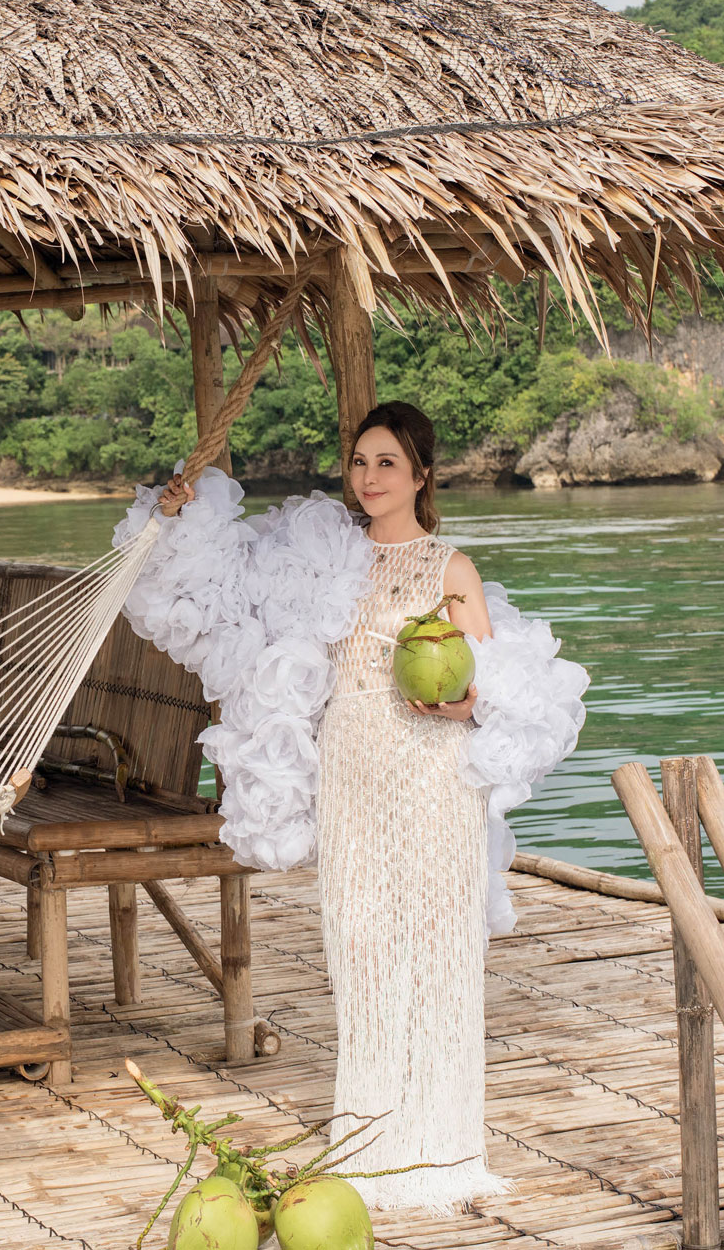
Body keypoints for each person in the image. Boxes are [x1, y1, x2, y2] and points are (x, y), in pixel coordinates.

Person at [156, 401, 510, 1211]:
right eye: (359, 462)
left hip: (430, 768)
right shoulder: (324, 555)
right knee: (361, 940)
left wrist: (460, 708)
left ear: (422, 472)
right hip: (351, 763)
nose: (369, 478)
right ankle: (371, 1136)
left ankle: (445, 1142)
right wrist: (183, 518)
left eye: (387, 462)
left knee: (436, 942)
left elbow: (492, 686)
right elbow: (232, 582)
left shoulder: (450, 566)